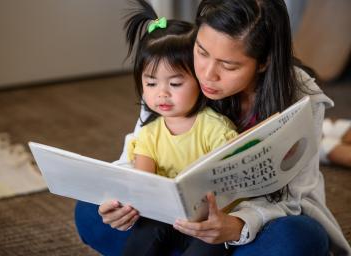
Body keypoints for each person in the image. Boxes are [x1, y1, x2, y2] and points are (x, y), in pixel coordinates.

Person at [75, 0, 351, 255]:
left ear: (264, 61)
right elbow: (139, 150)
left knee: (299, 239)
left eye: (228, 66)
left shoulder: (300, 98)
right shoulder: (177, 69)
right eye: (202, 51)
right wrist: (121, 203)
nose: (207, 74)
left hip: (247, 228)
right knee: (89, 210)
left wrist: (238, 225)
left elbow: (293, 199)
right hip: (169, 221)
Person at [122, 1, 239, 255]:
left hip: (208, 223)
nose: (161, 94)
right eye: (151, 83)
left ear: (199, 79)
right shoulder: (150, 134)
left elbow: (229, 186)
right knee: (141, 235)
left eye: (175, 84)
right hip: (164, 216)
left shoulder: (215, 130)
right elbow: (143, 183)